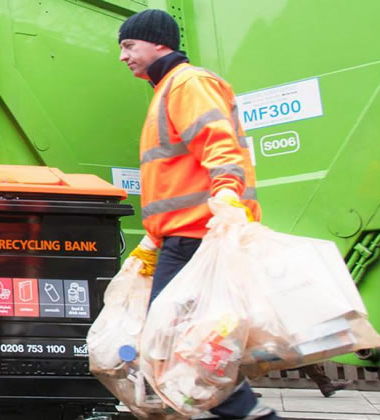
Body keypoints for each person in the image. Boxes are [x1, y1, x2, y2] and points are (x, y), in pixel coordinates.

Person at [118, 9, 281, 420]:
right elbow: (175, 176)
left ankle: (244, 411)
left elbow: (218, 144)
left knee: (170, 334)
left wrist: (227, 196)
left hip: (198, 234)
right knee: (185, 335)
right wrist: (153, 237)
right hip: (184, 234)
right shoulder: (167, 89)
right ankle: (233, 408)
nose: (123, 56)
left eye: (128, 45)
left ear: (159, 42)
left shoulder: (187, 84)